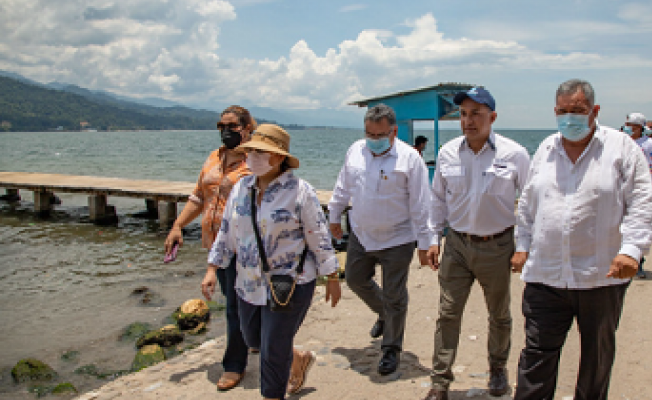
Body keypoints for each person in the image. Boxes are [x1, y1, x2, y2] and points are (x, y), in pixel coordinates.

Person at [512, 79, 652, 400]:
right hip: (545, 275)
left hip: (600, 277)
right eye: (563, 111)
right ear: (554, 111)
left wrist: (632, 250)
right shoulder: (546, 149)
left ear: (594, 110)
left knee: (596, 357)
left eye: (577, 111)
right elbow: (528, 204)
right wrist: (522, 246)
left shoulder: (621, 148)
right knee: (536, 356)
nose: (570, 118)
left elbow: (642, 203)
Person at [201, 124, 342, 400]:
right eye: (251, 151)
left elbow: (319, 237)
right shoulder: (242, 187)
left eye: (260, 152)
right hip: (248, 282)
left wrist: (332, 276)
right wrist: (211, 268)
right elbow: (227, 231)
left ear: (278, 158)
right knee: (254, 340)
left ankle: (272, 394)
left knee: (272, 351)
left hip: (290, 283)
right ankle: (298, 358)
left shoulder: (301, 192)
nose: (252, 156)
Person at [422, 87, 530, 400]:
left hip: (497, 246)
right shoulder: (448, 153)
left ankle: (497, 370)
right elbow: (437, 200)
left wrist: (522, 246)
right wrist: (432, 239)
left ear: (492, 117)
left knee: (498, 314)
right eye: (464, 114)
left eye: (476, 114)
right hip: (456, 245)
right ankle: (439, 382)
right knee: (448, 313)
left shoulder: (515, 154)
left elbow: (530, 203)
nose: (468, 121)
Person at [328, 104, 432, 375]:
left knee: (395, 294)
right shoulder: (355, 151)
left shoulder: (410, 159)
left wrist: (425, 242)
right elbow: (343, 186)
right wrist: (334, 216)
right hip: (361, 234)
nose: (374, 140)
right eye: (369, 134)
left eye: (380, 135)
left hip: (398, 237)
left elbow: (421, 204)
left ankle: (391, 349)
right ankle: (385, 314)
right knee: (354, 278)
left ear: (394, 131)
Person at [165, 105, 262, 391]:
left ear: (246, 128)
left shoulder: (254, 162)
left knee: (233, 306)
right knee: (238, 302)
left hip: (242, 248)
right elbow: (198, 197)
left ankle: (234, 365)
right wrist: (177, 226)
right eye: (221, 126)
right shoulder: (213, 158)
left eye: (231, 126)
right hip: (214, 246)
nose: (225, 131)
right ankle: (254, 339)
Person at [624, 112, 652, 279]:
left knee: (638, 226)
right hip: (621, 191)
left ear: (638, 127)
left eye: (630, 125)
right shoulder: (623, 142)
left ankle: (639, 263)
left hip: (638, 191)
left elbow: (650, 169)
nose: (627, 128)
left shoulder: (649, 145)